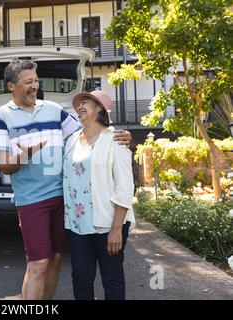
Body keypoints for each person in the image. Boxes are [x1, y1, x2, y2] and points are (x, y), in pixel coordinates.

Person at [0, 59, 131, 300]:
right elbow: (5, 166)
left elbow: (87, 132)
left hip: (63, 198)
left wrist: (117, 134)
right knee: (38, 263)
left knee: (56, 258)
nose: (34, 86)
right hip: (31, 199)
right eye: (27, 82)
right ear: (11, 86)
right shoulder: (1, 116)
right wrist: (28, 151)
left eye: (36, 80)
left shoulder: (54, 110)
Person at [63, 90, 136, 300]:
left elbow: (125, 187)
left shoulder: (116, 140)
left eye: (85, 102)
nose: (79, 107)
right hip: (77, 224)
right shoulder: (72, 141)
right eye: (79, 104)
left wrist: (116, 230)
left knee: (112, 279)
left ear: (100, 109)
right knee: (80, 277)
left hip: (108, 223)